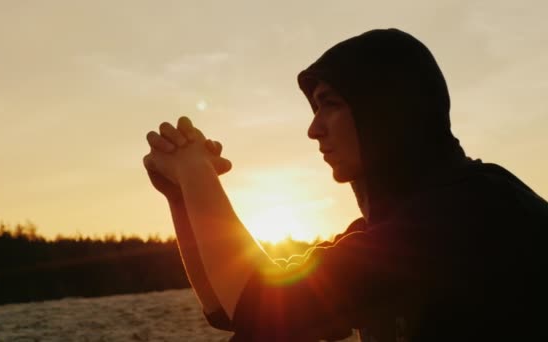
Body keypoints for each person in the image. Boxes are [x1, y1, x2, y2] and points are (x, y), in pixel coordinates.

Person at [142, 28, 548, 341]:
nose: (313, 129)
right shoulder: (399, 227)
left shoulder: (470, 212)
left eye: (330, 104)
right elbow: (230, 311)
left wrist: (196, 171)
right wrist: (182, 195)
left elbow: (256, 305)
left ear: (387, 110)